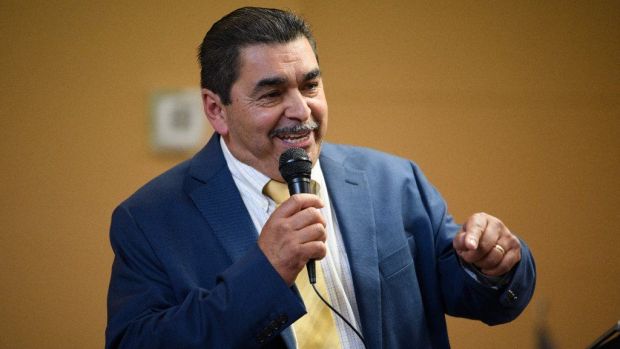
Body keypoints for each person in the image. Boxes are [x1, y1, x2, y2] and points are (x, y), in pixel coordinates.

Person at [105, 6, 536, 349]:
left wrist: (494, 264)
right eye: (272, 94)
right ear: (216, 109)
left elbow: (481, 296)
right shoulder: (150, 219)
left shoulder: (394, 182)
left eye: (310, 86)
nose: (301, 110)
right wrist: (266, 272)